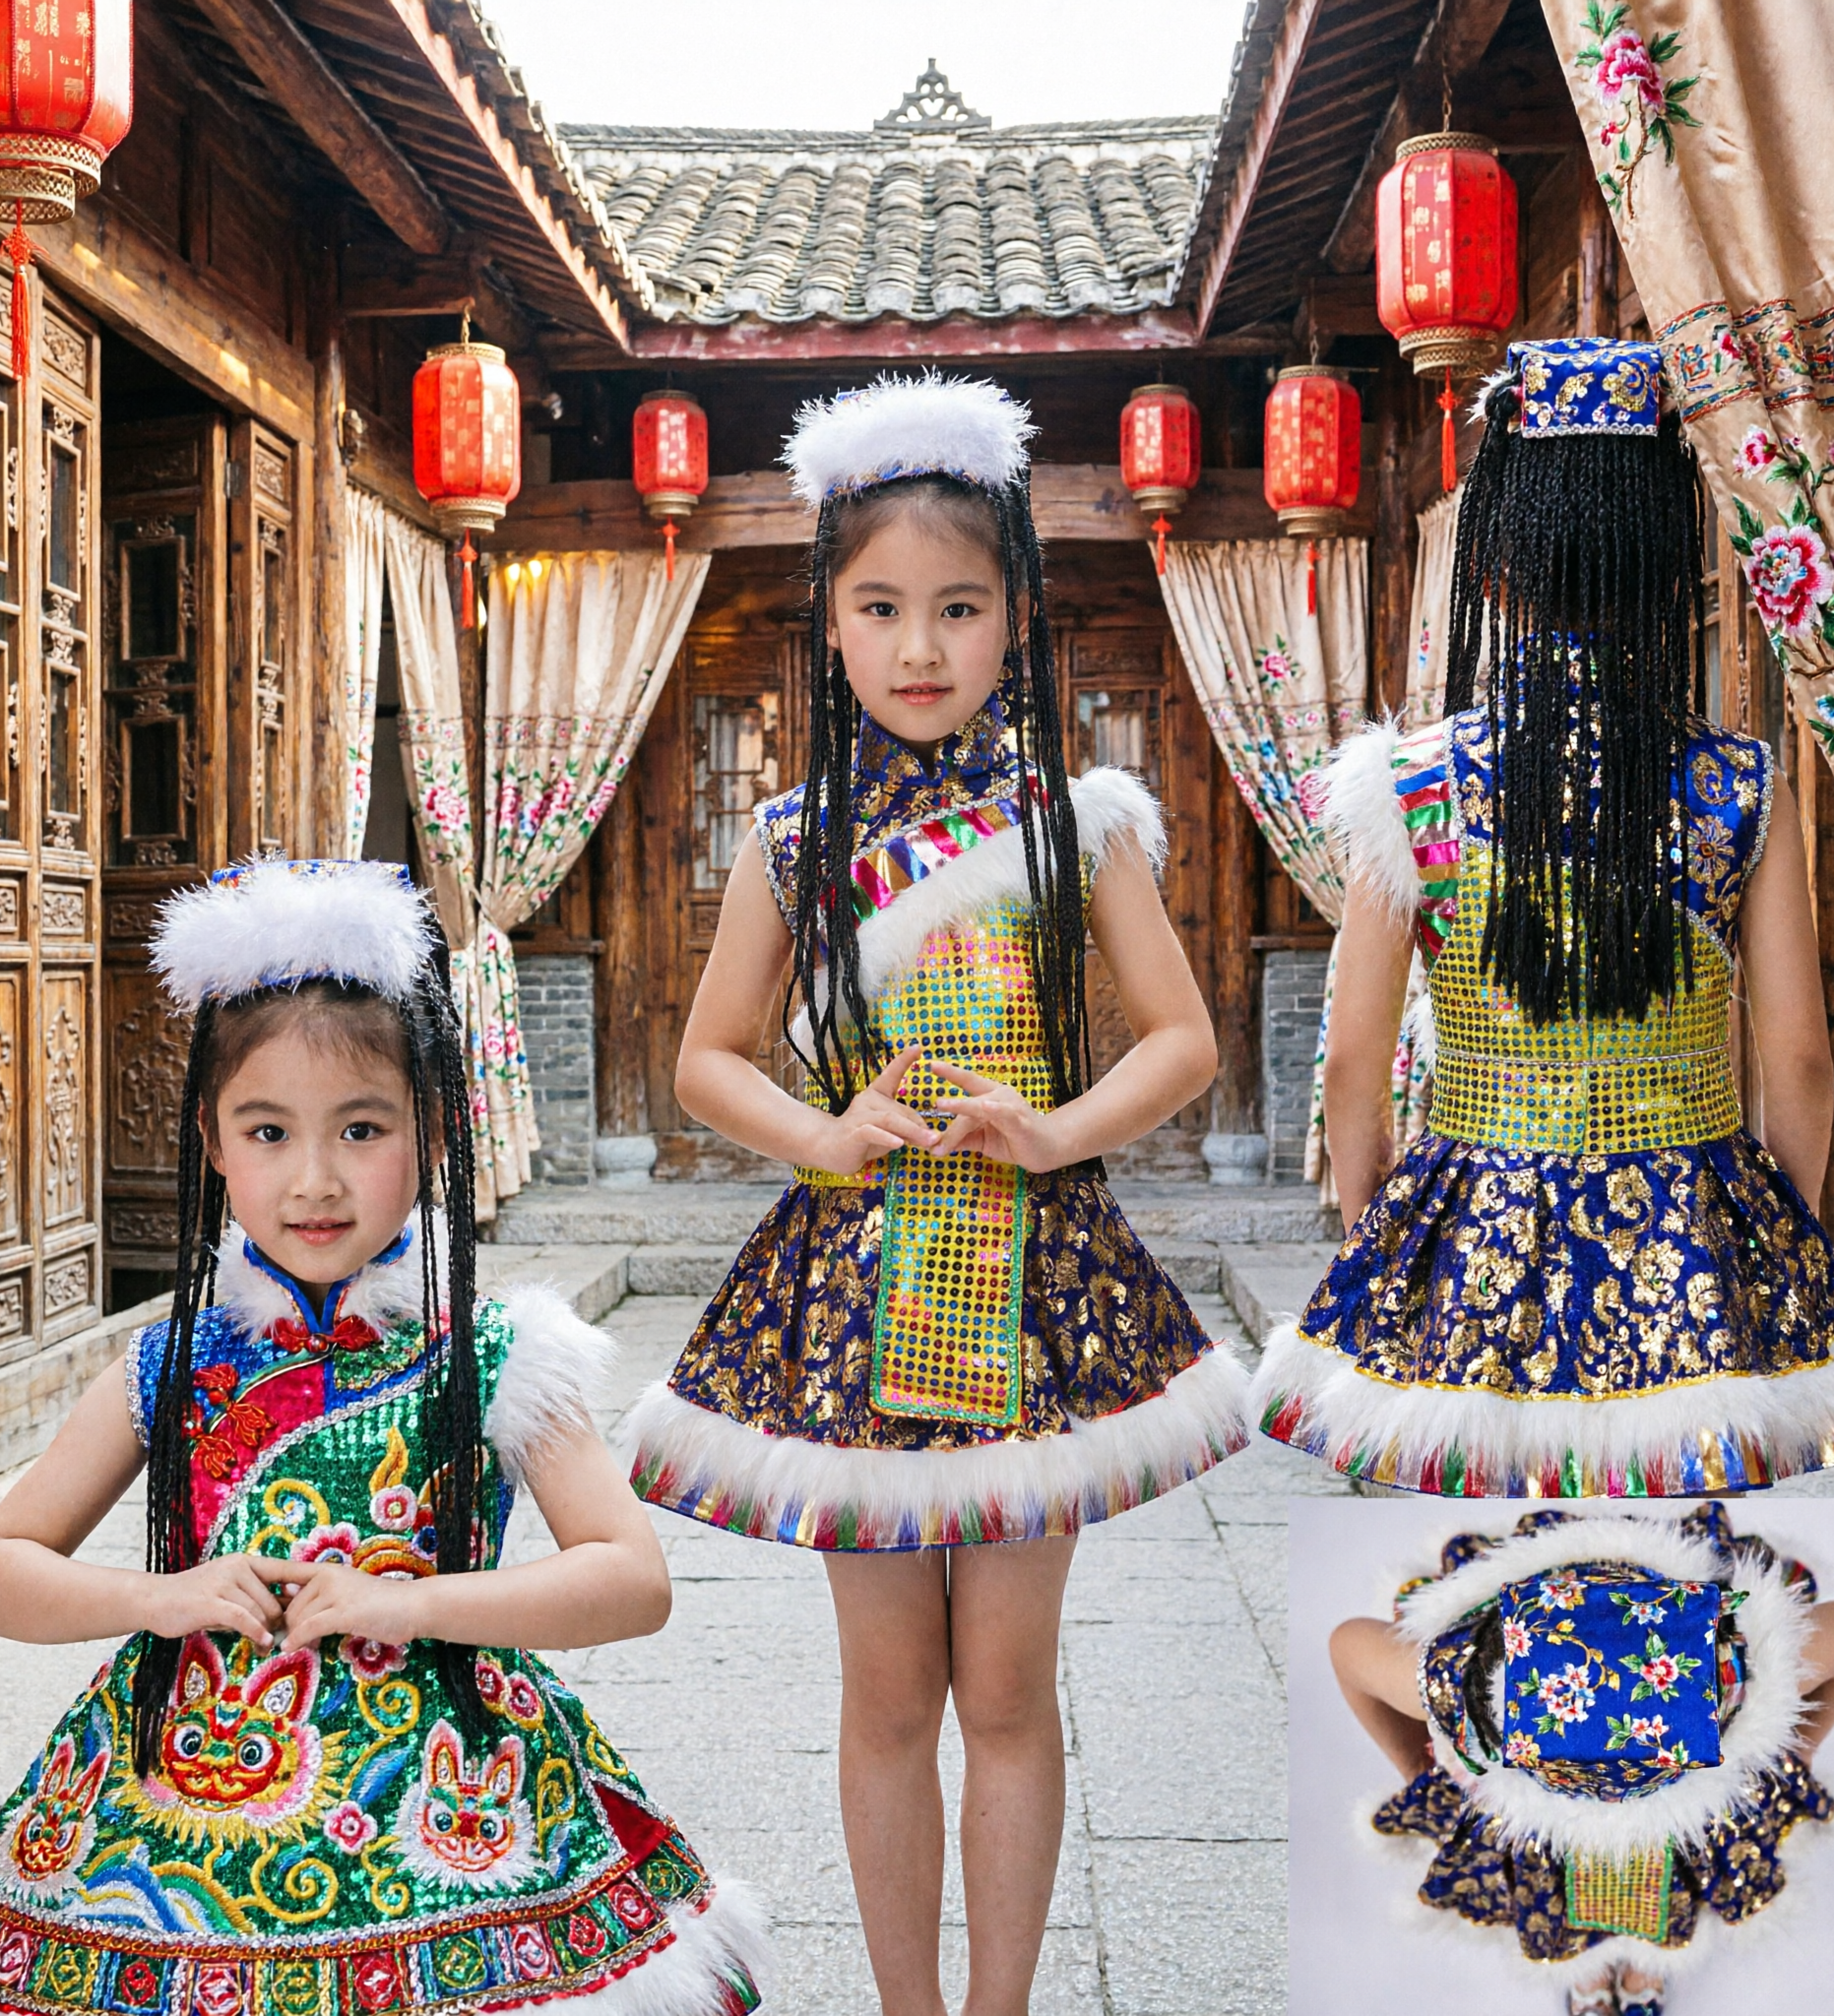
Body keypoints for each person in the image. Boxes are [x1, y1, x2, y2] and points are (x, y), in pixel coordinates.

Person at [624, 374, 1245, 2016]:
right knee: (888, 1688)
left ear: (1012, 623)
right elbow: (710, 1059)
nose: (918, 646)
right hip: (852, 1287)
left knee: (1008, 1687)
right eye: (880, 606)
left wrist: (1051, 1132)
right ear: (825, 624)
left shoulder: (1072, 824)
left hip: (1030, 1281)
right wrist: (825, 1138)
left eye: (957, 608)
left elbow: (1180, 1038)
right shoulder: (787, 836)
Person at [0, 859, 766, 2016]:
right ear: (211, 1141)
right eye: (267, 1129)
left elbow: (629, 1579)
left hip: (449, 1797)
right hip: (178, 1793)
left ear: (433, 1133)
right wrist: (160, 1599)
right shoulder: (174, 1360)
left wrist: (413, 1604)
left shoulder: (498, 1352)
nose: (314, 1179)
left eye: (361, 1127)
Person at [1252, 338, 1834, 1496]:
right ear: (1670, 565)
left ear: (1493, 569)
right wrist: (1776, 1229)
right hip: (1687, 1236)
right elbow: (1800, 1058)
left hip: (1473, 1228)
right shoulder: (1737, 782)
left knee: (1488, 1578)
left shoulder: (1406, 788)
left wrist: (1378, 1233)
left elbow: (1352, 1060)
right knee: (1681, 1571)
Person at [1329, 1502, 1834, 2014]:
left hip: (1580, 1782)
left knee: (1646, 1887)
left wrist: (1425, 1771)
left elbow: (1349, 1646)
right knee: (1589, 1885)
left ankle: (1639, 1969)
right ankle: (1594, 1973)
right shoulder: (1752, 1675)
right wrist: (1792, 1754)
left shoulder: (1465, 1691)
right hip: (1654, 1768)